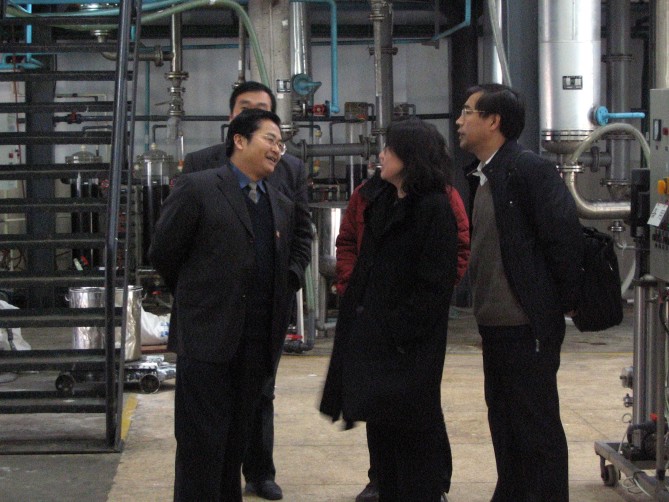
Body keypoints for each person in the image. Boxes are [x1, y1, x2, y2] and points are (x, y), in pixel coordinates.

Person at [149, 109, 309, 502]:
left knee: (236, 442)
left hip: (256, 344)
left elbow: (289, 254)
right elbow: (164, 252)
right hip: (207, 339)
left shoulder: (279, 202)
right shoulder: (199, 188)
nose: (278, 149)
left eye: (281, 142)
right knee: (201, 445)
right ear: (239, 140)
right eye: (269, 139)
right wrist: (200, 296)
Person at [320, 117, 459, 502]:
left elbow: (433, 288)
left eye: (389, 149)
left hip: (406, 349)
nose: (381, 155)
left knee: (413, 444)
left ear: (410, 158)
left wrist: (395, 331)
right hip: (376, 342)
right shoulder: (381, 200)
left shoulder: (434, 209)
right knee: (383, 439)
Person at [456, 83, 583, 502]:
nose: (459, 120)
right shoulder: (485, 174)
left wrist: (552, 308)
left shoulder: (529, 170)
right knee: (506, 424)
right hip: (496, 324)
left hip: (525, 325)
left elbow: (564, 242)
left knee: (536, 429)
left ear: (493, 121)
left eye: (468, 112)